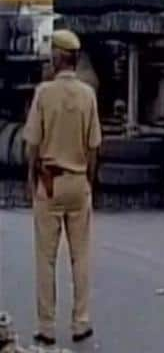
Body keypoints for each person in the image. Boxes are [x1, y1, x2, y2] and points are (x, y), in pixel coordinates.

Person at [24, 30, 102, 346]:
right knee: (80, 256)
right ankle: (81, 322)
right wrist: (89, 180)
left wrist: (31, 178)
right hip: (78, 182)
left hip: (50, 182)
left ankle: (46, 327)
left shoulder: (44, 94)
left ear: (57, 58)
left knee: (46, 258)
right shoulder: (88, 96)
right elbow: (95, 146)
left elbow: (32, 144)